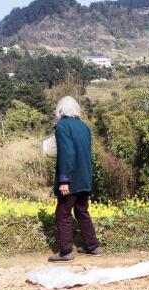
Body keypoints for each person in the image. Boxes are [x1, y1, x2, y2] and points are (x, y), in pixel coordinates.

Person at [48, 96, 100, 262]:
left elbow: (67, 154)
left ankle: (65, 251)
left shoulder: (62, 126)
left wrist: (64, 180)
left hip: (71, 179)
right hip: (84, 178)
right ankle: (92, 246)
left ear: (60, 110)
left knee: (63, 213)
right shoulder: (84, 127)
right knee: (82, 211)